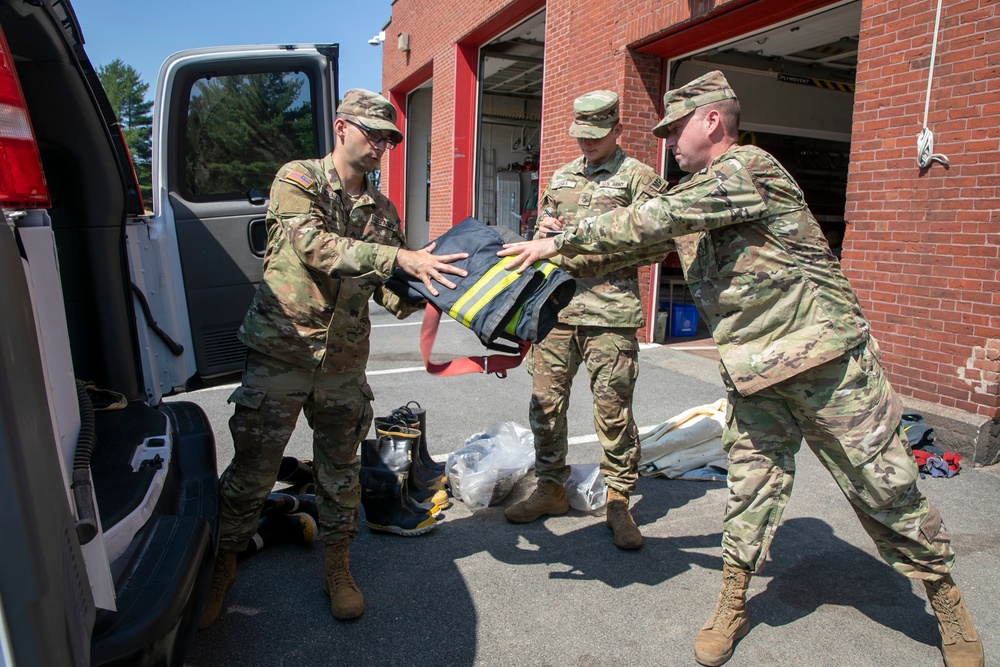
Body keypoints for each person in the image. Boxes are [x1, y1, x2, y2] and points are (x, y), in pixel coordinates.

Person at [498, 71, 983, 667]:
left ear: (711, 121)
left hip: (825, 364)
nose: (671, 142)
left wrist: (560, 240)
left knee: (884, 484)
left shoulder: (748, 169)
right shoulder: (700, 191)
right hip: (754, 373)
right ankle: (732, 600)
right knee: (749, 492)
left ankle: (946, 600)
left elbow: (652, 221)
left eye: (676, 128)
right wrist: (547, 254)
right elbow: (644, 240)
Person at [198, 89, 468, 629]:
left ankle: (339, 567)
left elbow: (389, 289)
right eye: (373, 134)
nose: (382, 146)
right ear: (342, 127)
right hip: (284, 350)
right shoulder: (297, 179)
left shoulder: (383, 210)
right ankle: (222, 567)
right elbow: (315, 246)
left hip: (344, 362)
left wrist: (447, 292)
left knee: (341, 470)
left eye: (390, 139)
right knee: (252, 470)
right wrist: (401, 258)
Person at [502, 90, 668, 550]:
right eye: (581, 135)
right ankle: (550, 487)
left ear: (617, 129)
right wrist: (547, 235)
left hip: (610, 315)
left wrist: (576, 241)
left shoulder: (639, 179)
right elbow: (542, 234)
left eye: (596, 135)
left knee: (612, 411)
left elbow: (658, 244)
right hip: (557, 311)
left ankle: (618, 501)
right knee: (545, 406)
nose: (587, 144)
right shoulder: (561, 177)